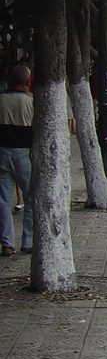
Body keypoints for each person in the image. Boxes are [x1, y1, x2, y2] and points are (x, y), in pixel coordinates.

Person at [0, 64, 35, 255]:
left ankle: (7, 243)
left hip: (2, 152)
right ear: (28, 82)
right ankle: (27, 241)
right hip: (24, 154)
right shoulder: (30, 103)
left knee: (3, 200)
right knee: (30, 197)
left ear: (8, 78)